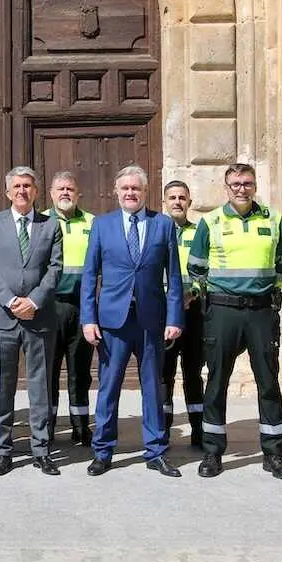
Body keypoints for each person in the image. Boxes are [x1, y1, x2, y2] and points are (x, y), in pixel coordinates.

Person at [188, 164, 282, 480]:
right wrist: (212, 295)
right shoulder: (211, 221)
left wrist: (268, 293)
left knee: (268, 382)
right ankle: (212, 452)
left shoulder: (273, 219)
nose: (241, 189)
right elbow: (196, 267)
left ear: (255, 185)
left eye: (247, 183)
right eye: (235, 184)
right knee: (217, 381)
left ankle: (274, 453)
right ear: (226, 187)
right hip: (223, 311)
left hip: (261, 311)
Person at [80, 166, 185, 477]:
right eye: (125, 188)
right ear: (116, 191)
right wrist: (88, 318)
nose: (130, 193)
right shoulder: (102, 225)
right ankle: (103, 451)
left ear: (144, 192)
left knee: (153, 387)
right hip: (113, 320)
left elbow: (175, 278)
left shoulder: (163, 225)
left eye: (135, 189)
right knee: (109, 387)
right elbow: (89, 275)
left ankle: (156, 451)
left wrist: (174, 317)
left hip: (151, 320)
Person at [0, 166, 63, 476]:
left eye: (28, 186)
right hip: (2, 317)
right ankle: (3, 450)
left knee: (40, 385)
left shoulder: (50, 226)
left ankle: (41, 450)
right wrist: (12, 301)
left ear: (36, 191)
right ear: (7, 192)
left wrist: (34, 301)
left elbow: (55, 270)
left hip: (38, 317)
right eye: (17, 186)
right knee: (3, 385)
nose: (22, 191)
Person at [45, 171, 96, 445]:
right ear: (51, 193)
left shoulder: (92, 222)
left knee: (80, 371)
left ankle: (80, 425)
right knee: (48, 372)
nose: (65, 193)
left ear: (78, 194)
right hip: (49, 308)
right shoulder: (39, 220)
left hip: (81, 307)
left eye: (70, 189)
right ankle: (48, 427)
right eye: (60, 189)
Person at [160, 181, 205, 448]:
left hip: (193, 310)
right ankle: (164, 428)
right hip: (164, 312)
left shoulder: (199, 231)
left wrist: (194, 293)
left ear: (189, 202)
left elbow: (207, 266)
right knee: (164, 373)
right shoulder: (156, 231)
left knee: (192, 371)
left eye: (182, 198)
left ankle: (198, 428)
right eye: (172, 198)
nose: (177, 202)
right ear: (164, 201)